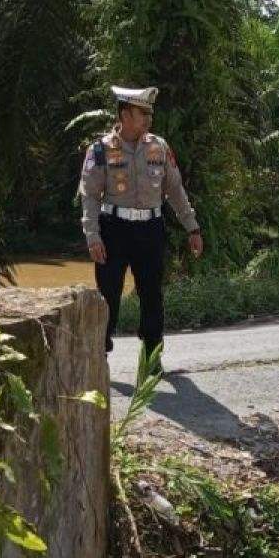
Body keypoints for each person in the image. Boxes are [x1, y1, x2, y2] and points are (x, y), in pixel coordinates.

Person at [78, 85, 203, 373]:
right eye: (142, 113)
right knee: (108, 295)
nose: (148, 118)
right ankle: (101, 356)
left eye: (150, 113)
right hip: (114, 230)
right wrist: (92, 235)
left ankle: (151, 357)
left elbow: (175, 190)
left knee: (152, 295)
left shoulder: (159, 147)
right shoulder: (99, 150)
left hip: (150, 230)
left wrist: (192, 227)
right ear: (124, 114)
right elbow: (89, 196)